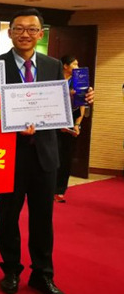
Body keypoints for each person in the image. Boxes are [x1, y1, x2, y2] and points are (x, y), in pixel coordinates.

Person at [0, 8, 93, 294]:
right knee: (8, 217)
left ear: (40, 34)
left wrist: (79, 99)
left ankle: (43, 274)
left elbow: (57, 104)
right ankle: (11, 270)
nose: (25, 34)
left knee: (42, 219)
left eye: (31, 29)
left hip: (45, 154)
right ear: (10, 32)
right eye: (18, 28)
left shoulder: (52, 65)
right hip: (10, 154)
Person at [54, 55, 86, 203]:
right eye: (74, 64)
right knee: (52, 156)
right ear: (65, 66)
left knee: (66, 157)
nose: (77, 67)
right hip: (54, 121)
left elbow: (82, 105)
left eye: (78, 64)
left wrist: (77, 124)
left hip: (71, 122)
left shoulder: (78, 81)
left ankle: (60, 190)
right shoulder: (55, 79)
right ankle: (47, 188)